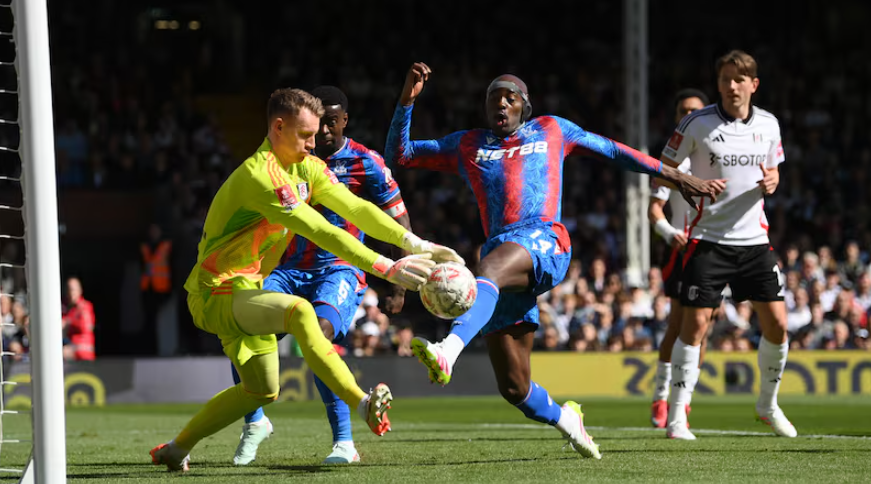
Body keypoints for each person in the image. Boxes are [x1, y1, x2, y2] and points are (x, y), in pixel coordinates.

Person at [385, 62, 723, 459]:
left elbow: (614, 150)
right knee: (515, 388)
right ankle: (567, 420)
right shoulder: (469, 144)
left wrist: (675, 176)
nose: (501, 104)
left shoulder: (552, 130)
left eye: (510, 98)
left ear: (524, 106)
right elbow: (400, 156)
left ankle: (450, 348)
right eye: (494, 98)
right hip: (503, 258)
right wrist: (407, 101)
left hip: (545, 240)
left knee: (486, 268)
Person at [150, 88, 461, 472]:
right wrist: (386, 267)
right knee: (300, 312)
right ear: (278, 127)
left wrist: (414, 242)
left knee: (261, 390)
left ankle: (177, 448)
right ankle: (362, 404)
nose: (314, 144)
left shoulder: (306, 166)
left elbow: (355, 208)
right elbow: (320, 230)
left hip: (247, 288)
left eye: (315, 134)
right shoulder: (261, 175)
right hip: (216, 291)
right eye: (305, 135)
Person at [229, 86, 413, 466]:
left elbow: (397, 217)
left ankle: (344, 443)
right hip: (287, 269)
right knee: (242, 326)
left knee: (319, 332)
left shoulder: (365, 162)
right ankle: (255, 421)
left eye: (331, 122)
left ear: (345, 120)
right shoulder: (286, 160)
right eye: (317, 124)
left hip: (339, 269)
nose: (324, 131)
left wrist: (399, 283)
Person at [660, 50, 796, 440]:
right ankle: (677, 417)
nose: (731, 86)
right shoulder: (696, 123)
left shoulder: (769, 125)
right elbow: (664, 168)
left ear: (754, 84)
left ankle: (767, 405)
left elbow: (773, 171)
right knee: (694, 327)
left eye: (739, 79)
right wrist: (692, 183)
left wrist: (774, 181)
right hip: (709, 240)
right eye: (725, 79)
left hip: (754, 241)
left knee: (778, 325)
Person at [648, 89, 709, 428]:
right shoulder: (672, 162)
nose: (689, 115)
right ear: (676, 118)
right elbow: (654, 209)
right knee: (678, 324)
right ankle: (661, 396)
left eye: (695, 110)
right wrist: (671, 233)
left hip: (715, 248)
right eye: (683, 111)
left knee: (704, 328)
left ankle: (684, 399)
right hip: (681, 250)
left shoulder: (720, 156)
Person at [61, 276, 96, 361]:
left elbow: (87, 327)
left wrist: (68, 323)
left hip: (83, 349)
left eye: (72, 290)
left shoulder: (85, 307)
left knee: (60, 353)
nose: (70, 293)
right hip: (70, 346)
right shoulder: (66, 308)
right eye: (67, 290)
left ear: (79, 291)